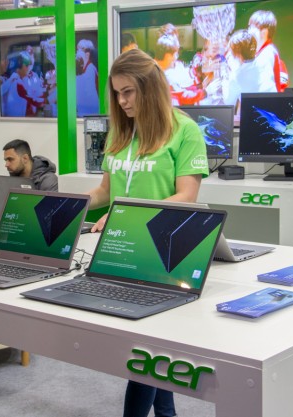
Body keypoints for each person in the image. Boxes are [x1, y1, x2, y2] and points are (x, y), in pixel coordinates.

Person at [86, 49, 209, 417]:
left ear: (150, 88)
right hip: (122, 249)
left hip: (163, 251)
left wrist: (125, 218)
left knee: (147, 353)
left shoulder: (185, 130)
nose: (122, 101)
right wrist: (70, 205)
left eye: (128, 92)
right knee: (152, 347)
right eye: (117, 93)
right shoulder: (121, 131)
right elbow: (105, 191)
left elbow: (187, 196)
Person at [154, 23, 204, 106]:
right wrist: (205, 92)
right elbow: (182, 95)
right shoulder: (155, 72)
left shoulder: (176, 65)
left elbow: (183, 88)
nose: (176, 56)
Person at [248, 10, 288, 93]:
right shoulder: (258, 56)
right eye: (249, 27)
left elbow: (276, 90)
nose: (249, 31)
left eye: (252, 27)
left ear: (264, 32)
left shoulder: (269, 53)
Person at [224, 30, 259, 117]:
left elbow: (228, 103)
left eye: (231, 52)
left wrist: (225, 79)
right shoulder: (263, 65)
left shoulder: (237, 76)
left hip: (250, 118)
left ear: (238, 54)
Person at [76, 39, 100, 117]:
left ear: (88, 53)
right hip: (82, 111)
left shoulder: (91, 68)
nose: (78, 52)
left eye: (80, 50)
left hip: (91, 111)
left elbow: (89, 92)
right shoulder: (81, 68)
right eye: (77, 50)